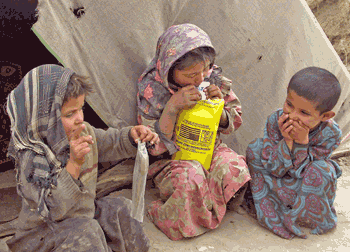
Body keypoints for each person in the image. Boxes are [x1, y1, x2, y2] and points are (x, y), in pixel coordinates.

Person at [5, 64, 159, 252]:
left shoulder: (82, 132)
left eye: (80, 108)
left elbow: (110, 141)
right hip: (41, 235)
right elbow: (55, 209)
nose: (80, 118)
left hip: (81, 217)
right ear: (45, 118)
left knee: (123, 209)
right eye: (70, 114)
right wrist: (74, 165)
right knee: (87, 231)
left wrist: (132, 136)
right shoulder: (33, 159)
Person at [137, 23, 251, 240]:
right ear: (169, 69)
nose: (199, 79)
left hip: (211, 150)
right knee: (191, 178)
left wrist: (220, 109)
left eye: (203, 70)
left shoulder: (211, 79)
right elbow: (150, 144)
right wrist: (172, 108)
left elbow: (235, 119)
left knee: (234, 167)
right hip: (171, 160)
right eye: (190, 75)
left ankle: (200, 204)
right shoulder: (153, 89)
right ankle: (180, 210)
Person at [246, 66, 342, 239]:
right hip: (276, 177)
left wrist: (301, 142)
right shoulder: (275, 120)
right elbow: (274, 169)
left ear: (325, 116)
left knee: (323, 170)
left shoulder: (331, 134)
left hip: (303, 184)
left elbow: (305, 172)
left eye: (304, 112)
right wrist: (287, 141)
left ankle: (303, 217)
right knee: (255, 148)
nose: (292, 115)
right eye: (289, 104)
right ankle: (269, 209)